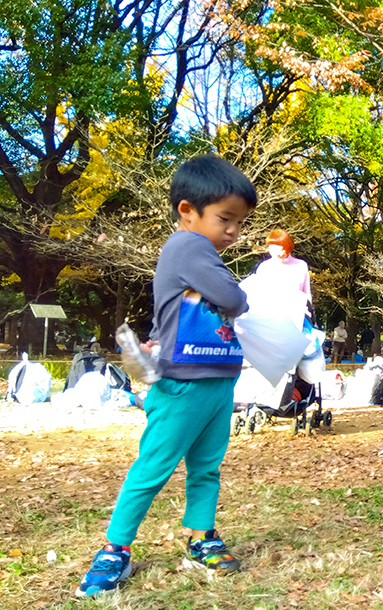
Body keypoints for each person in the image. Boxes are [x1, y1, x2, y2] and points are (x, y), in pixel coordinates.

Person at [76, 155, 256, 596]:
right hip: (184, 382)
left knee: (206, 465)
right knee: (153, 467)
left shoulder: (202, 251)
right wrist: (241, 297)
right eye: (226, 219)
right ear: (187, 211)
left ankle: (202, 536)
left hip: (214, 378)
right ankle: (114, 549)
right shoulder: (189, 246)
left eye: (240, 222)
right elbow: (232, 298)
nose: (234, 231)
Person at [253, 228, 312, 325]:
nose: (275, 252)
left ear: (287, 247)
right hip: (270, 318)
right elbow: (258, 295)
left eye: (279, 248)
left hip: (296, 317)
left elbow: (306, 293)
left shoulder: (301, 266)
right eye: (271, 248)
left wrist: (308, 314)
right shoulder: (264, 267)